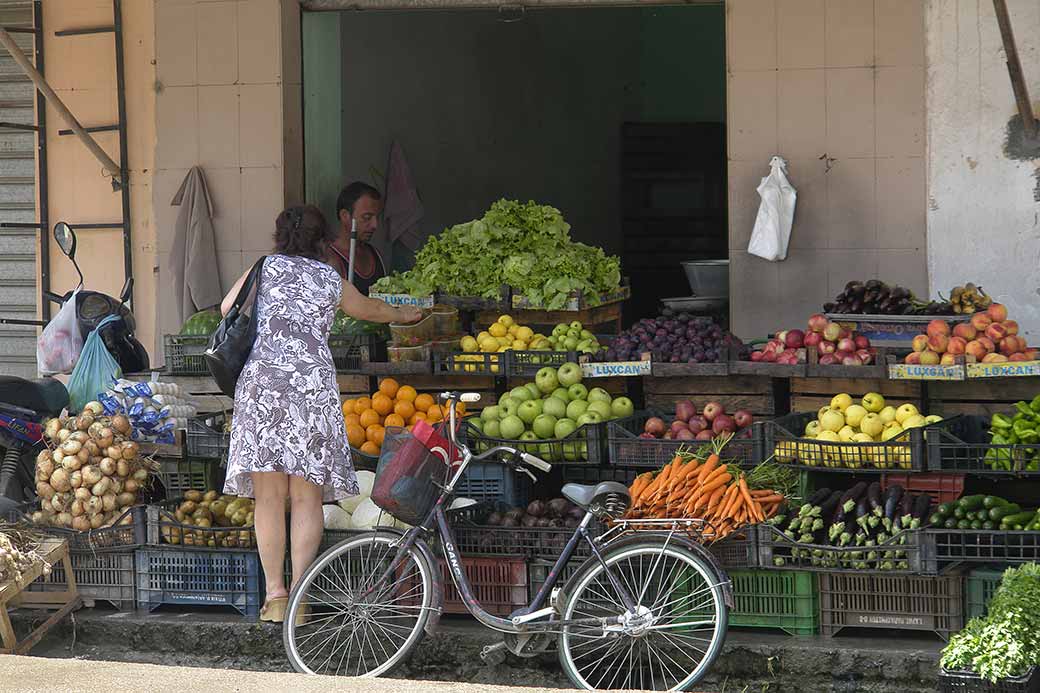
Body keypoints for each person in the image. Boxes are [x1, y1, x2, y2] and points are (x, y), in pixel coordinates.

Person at [219, 205, 421, 623]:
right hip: (311, 389)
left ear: (279, 236)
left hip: (263, 388)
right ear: (321, 240)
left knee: (269, 498)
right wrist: (406, 313)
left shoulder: (264, 267)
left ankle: (275, 594)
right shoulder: (329, 277)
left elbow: (225, 308)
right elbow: (369, 310)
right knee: (306, 497)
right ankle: (299, 599)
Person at [328, 181, 387, 295]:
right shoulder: (330, 260)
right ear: (345, 216)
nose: (375, 225)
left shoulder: (376, 255)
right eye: (367, 217)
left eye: (377, 217)